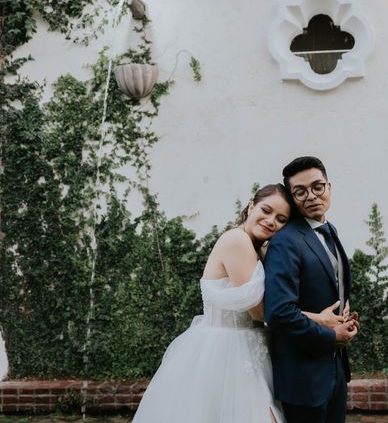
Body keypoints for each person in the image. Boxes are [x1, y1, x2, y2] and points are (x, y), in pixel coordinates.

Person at [132, 183, 343, 423]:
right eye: (266, 210)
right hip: (228, 352)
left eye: (281, 219)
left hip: (252, 347)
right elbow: (260, 312)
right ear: (251, 206)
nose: (271, 220)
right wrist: (320, 319)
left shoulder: (258, 248)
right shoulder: (237, 240)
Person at [264, 157, 359, 423]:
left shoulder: (331, 230)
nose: (311, 196)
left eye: (317, 187)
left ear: (329, 187)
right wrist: (331, 336)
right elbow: (279, 313)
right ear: (293, 198)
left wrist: (344, 311)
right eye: (300, 191)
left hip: (335, 367)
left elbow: (332, 284)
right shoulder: (285, 242)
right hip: (303, 376)